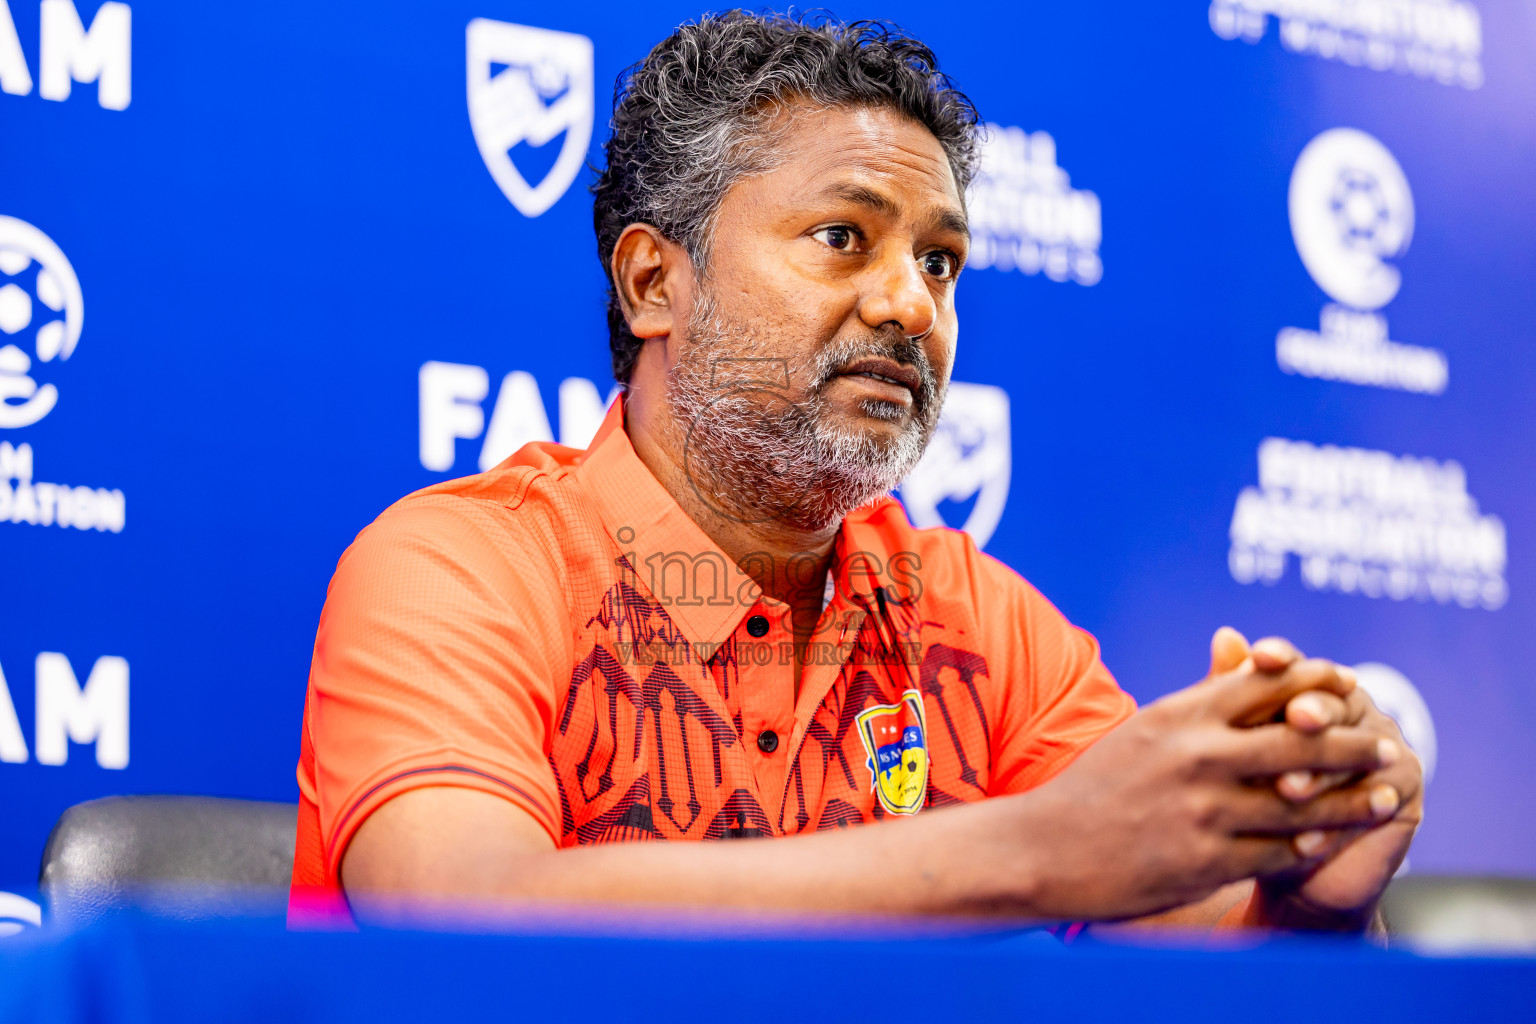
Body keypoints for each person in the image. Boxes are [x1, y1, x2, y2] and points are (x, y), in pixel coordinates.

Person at [290, 11, 1421, 932]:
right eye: (844, 236)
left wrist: (1304, 887)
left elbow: (1200, 945)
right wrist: (1036, 850)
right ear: (653, 285)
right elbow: (471, 919)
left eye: (941, 260)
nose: (911, 304)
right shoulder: (457, 571)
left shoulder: (977, 619)